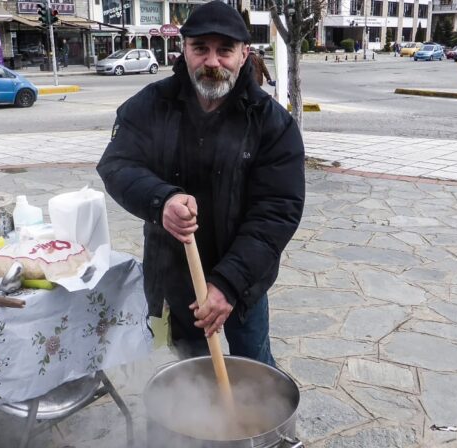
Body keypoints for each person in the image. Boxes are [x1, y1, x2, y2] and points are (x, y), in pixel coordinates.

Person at [97, 1, 305, 367]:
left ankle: (258, 425)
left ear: (244, 55)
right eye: (201, 49)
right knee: (184, 374)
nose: (212, 61)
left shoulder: (272, 125)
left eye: (224, 50)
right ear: (184, 49)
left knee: (254, 369)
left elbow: (277, 211)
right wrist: (161, 202)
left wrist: (228, 284)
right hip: (173, 277)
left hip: (243, 282)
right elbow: (116, 164)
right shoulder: (151, 105)